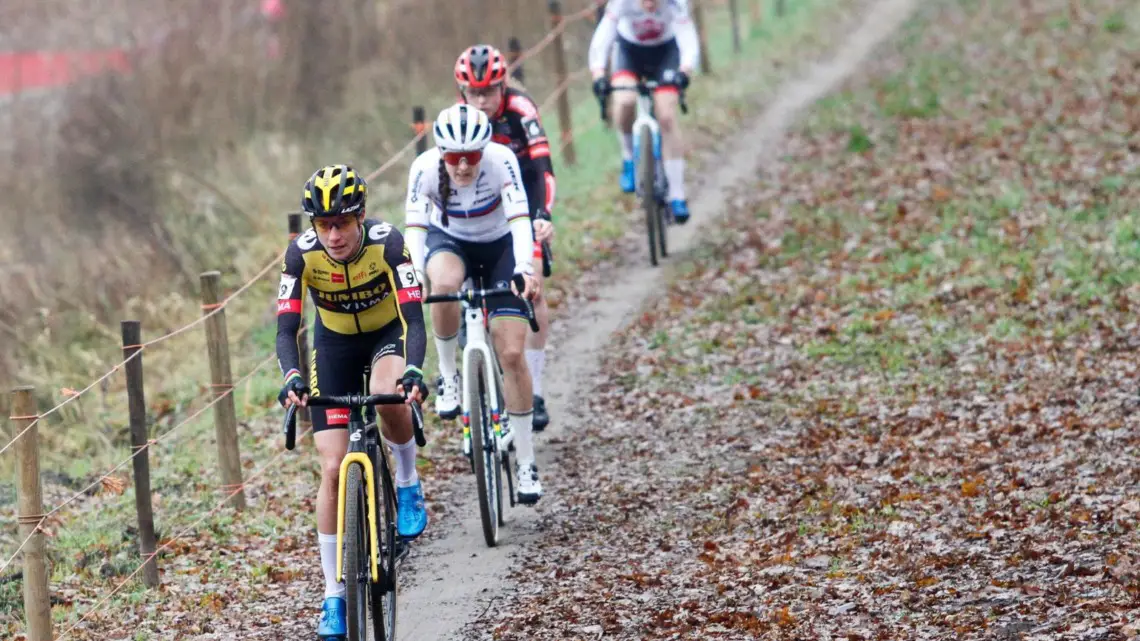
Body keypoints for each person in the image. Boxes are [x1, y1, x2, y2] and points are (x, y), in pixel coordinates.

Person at [275, 164, 429, 640]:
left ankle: (406, 483)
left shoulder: (389, 244)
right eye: (324, 225)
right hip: (335, 346)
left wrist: (415, 371)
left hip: (386, 336)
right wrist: (293, 376)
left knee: (387, 400)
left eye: (342, 223)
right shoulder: (300, 257)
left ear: (360, 217)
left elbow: (415, 321)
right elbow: (286, 329)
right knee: (331, 467)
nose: (334, 235)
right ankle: (334, 596)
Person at [404, 103, 545, 504]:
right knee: (443, 282)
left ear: (485, 149)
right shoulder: (425, 169)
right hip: (450, 241)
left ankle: (526, 461)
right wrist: (412, 273)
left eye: (471, 157)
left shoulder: (501, 162)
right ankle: (448, 374)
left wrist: (523, 268)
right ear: (440, 153)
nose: (463, 166)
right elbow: (414, 228)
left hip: (500, 245)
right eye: (453, 157)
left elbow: (520, 221)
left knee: (513, 351)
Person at [453, 44, 556, 432]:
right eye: (474, 94)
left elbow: (542, 169)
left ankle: (537, 387)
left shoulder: (521, 112)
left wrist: (542, 215)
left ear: (503, 86)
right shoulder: (457, 121)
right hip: (476, 216)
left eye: (489, 92)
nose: (481, 102)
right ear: (462, 92)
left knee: (534, 285)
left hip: (522, 206)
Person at [588, 0, 699, 223]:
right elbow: (604, 36)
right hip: (629, 52)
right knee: (624, 101)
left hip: (666, 53)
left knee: (666, 116)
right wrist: (599, 73)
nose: (649, 4)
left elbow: (688, 37)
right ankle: (629, 158)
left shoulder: (674, 3)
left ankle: (677, 194)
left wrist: (685, 70)